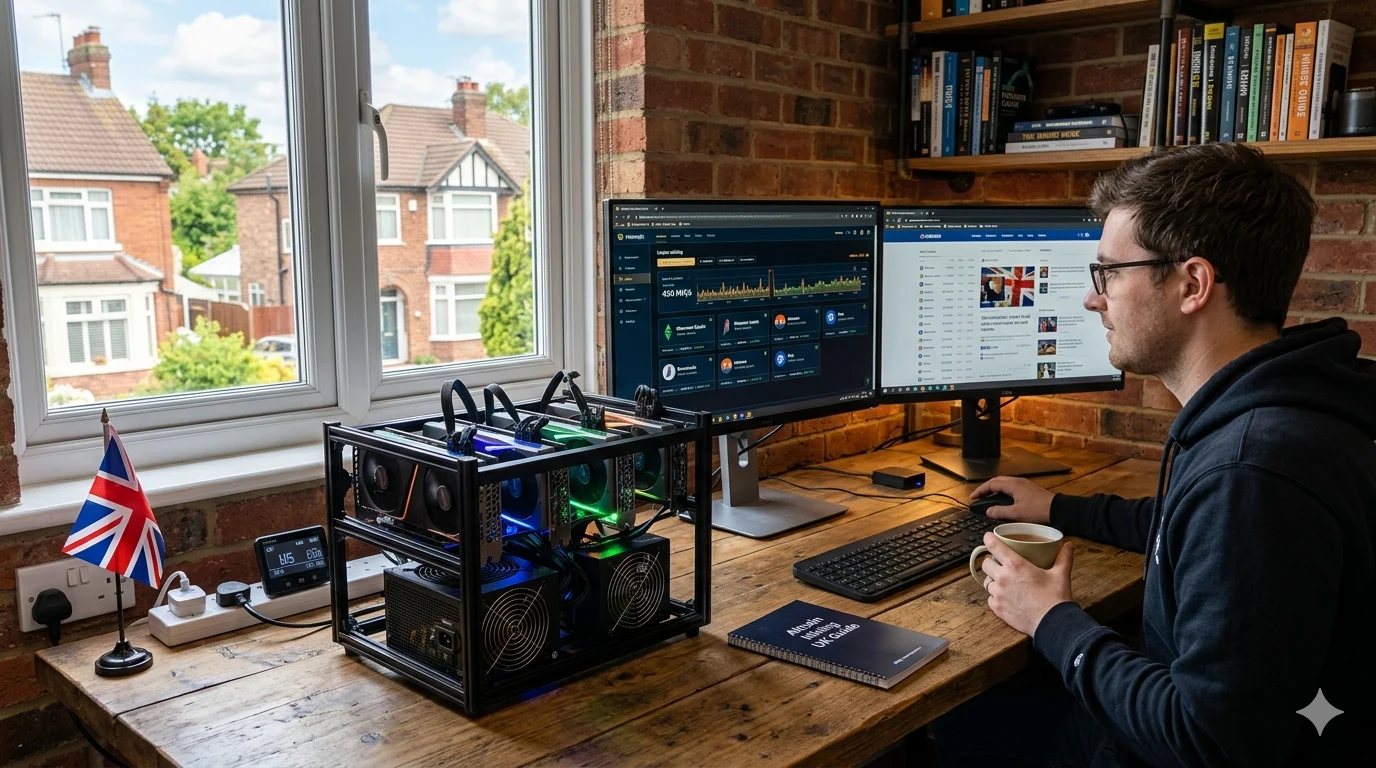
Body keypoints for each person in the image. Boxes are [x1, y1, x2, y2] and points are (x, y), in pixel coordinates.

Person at [936, 143, 1375, 766]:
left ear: (1192, 283)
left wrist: (1052, 619)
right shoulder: (1274, 413)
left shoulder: (1250, 473)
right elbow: (1190, 535)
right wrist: (1061, 506)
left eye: (1109, 273)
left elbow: (1207, 740)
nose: (1094, 300)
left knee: (958, 723)